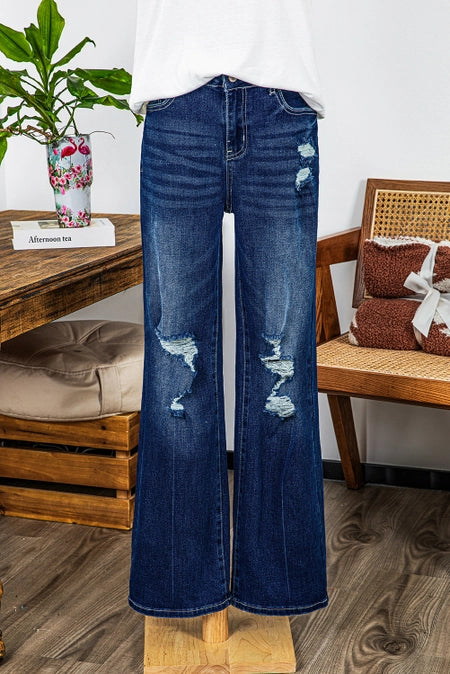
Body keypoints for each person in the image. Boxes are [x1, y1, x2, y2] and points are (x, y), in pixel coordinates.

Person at [128, 0, 328, 619]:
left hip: (281, 102)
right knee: (175, 371)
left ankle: (281, 587)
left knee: (282, 367)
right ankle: (179, 589)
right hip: (175, 104)